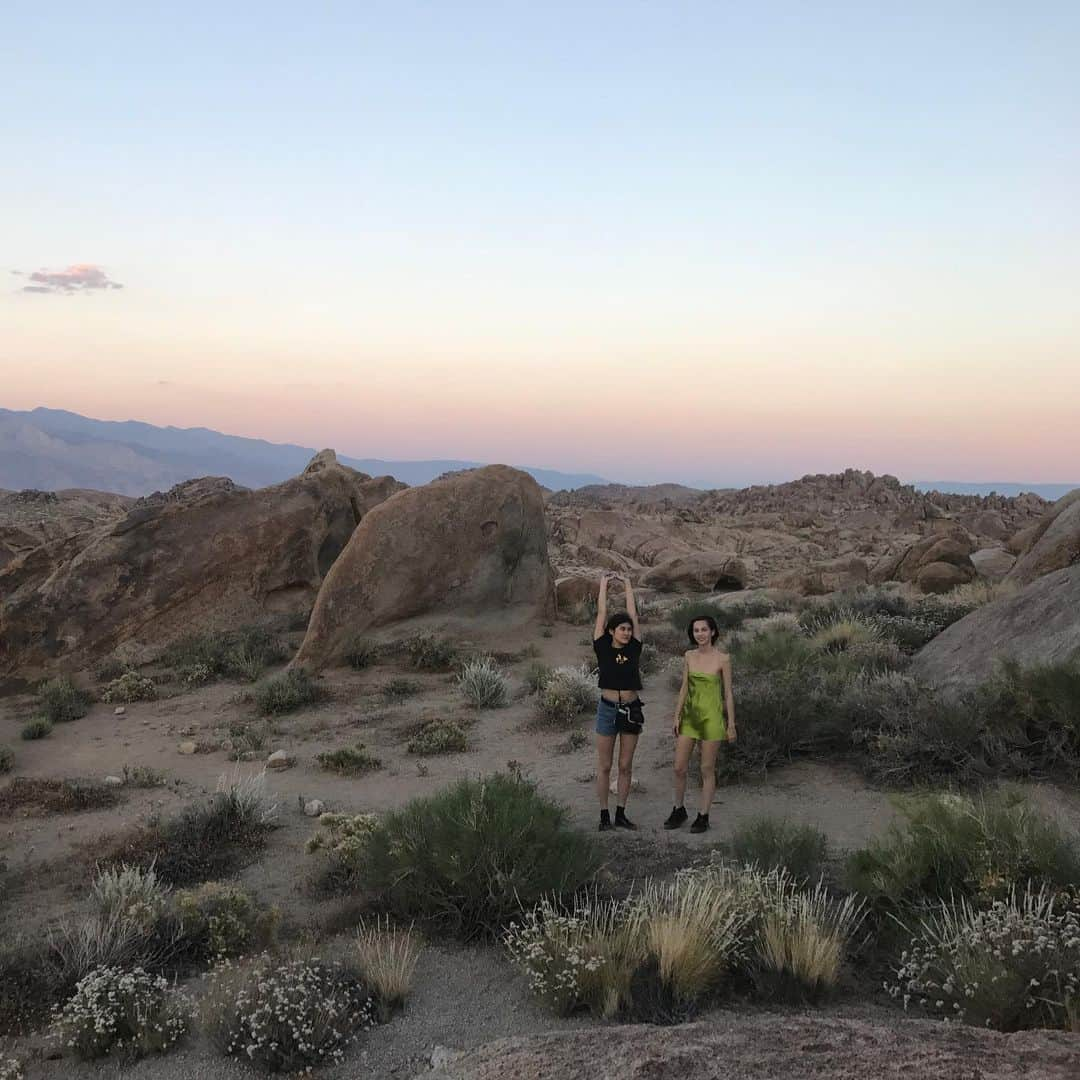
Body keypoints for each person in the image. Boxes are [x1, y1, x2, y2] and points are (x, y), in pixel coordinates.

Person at [665, 614, 737, 833]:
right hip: (690, 717)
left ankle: (703, 815)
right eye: (696, 630)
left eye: (704, 630)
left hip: (712, 719)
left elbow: (728, 693)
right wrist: (676, 715)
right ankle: (679, 809)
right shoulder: (689, 656)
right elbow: (685, 686)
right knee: (679, 767)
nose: (700, 634)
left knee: (706, 768)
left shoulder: (723, 659)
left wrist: (731, 723)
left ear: (713, 632)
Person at [592, 571, 644, 832]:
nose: (626, 632)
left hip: (631, 710)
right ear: (612, 631)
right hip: (607, 709)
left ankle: (621, 813)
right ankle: (604, 816)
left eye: (628, 629)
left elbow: (634, 615)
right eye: (622, 629)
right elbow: (601, 614)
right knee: (605, 765)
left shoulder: (634, 647)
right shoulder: (602, 646)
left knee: (625, 765)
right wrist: (603, 585)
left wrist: (627, 584)